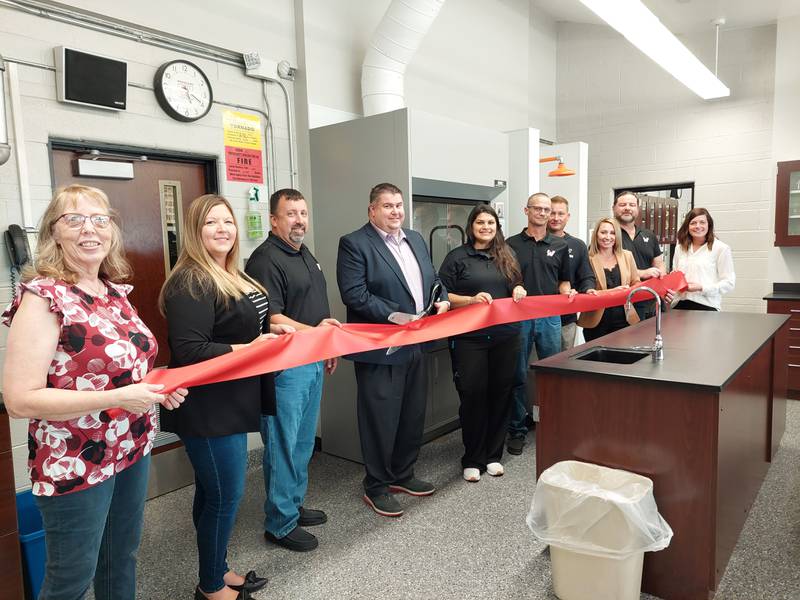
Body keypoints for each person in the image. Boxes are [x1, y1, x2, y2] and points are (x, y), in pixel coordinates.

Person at [1, 184, 187, 600]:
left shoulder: (114, 293)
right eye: (74, 218)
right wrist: (118, 399)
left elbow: (123, 371)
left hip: (131, 447)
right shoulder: (43, 297)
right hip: (75, 460)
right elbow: (19, 399)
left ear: (112, 231)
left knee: (121, 558)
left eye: (100, 218)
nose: (90, 228)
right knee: (71, 579)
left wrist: (158, 385)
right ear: (54, 232)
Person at [159, 194, 280, 600]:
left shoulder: (229, 273)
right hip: (209, 407)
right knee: (226, 495)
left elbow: (242, 329)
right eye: (211, 223)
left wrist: (270, 338)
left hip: (232, 398)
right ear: (195, 231)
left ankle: (218, 568)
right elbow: (191, 349)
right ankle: (210, 587)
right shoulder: (190, 280)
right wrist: (251, 349)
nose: (223, 229)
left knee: (213, 493)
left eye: (227, 221)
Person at [337, 182, 449, 518]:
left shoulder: (414, 238)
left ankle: (403, 474)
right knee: (380, 417)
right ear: (372, 210)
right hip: (380, 347)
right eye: (388, 206)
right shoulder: (355, 243)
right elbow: (354, 294)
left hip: (417, 341)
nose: (396, 212)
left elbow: (433, 278)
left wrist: (441, 297)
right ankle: (377, 485)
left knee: (412, 412)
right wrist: (394, 315)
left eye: (399, 205)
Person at [245, 188, 339, 552]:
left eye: (303, 212)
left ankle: (293, 505)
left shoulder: (303, 253)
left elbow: (312, 308)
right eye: (290, 214)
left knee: (301, 443)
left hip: (311, 359)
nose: (299, 220)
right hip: (285, 369)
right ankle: (279, 523)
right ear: (273, 219)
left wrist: (325, 343)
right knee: (283, 444)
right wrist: (318, 336)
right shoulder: (266, 259)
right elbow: (273, 317)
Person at [438, 204, 526, 482]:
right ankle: (473, 458)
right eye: (480, 223)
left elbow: (515, 283)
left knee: (501, 393)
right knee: (473, 395)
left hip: (505, 336)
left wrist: (518, 289)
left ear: (496, 227)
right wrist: (470, 300)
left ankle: (492, 456)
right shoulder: (456, 257)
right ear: (471, 226)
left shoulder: (507, 254)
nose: (486, 227)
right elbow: (441, 295)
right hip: (469, 338)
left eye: (491, 222)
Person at [506, 192, 571, 455]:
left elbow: (564, 281)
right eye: (538, 208)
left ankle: (554, 425)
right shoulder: (510, 244)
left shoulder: (560, 245)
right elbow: (506, 279)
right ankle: (517, 429)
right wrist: (516, 287)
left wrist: (568, 291)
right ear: (526, 210)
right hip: (518, 317)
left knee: (552, 373)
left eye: (547, 209)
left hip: (550, 317)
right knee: (518, 373)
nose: (544, 213)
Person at [578, 217, 640, 341]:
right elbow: (584, 290)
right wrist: (612, 292)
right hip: (596, 321)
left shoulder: (627, 256)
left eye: (612, 233)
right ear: (596, 234)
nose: (608, 237)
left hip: (624, 319)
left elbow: (636, 281)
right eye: (603, 232)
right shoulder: (587, 258)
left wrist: (629, 290)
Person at [548, 195, 595, 350]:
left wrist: (588, 289)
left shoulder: (577, 245)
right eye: (552, 213)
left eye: (560, 214)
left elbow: (586, 275)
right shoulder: (536, 243)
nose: (555, 218)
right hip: (538, 315)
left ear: (568, 217)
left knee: (564, 362)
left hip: (567, 318)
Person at [613, 191, 665, 319]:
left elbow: (659, 264)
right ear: (613, 208)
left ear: (637, 208)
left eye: (632, 205)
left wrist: (662, 280)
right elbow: (605, 268)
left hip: (651, 301)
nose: (627, 208)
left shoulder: (648, 235)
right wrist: (642, 273)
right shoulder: (609, 235)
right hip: (622, 304)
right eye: (622, 204)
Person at [671, 208, 735, 311]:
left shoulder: (720, 248)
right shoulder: (680, 248)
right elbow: (675, 274)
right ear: (687, 226)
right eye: (693, 223)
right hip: (680, 304)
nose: (698, 226)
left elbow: (729, 283)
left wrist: (701, 288)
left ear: (709, 225)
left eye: (702, 222)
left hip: (706, 306)